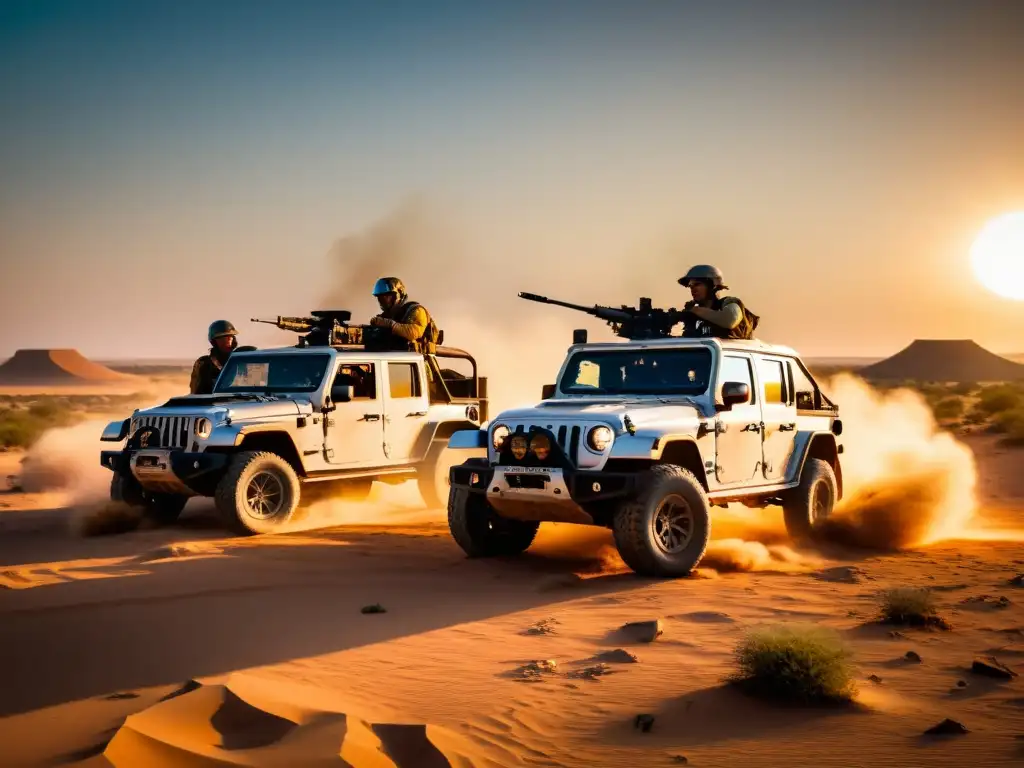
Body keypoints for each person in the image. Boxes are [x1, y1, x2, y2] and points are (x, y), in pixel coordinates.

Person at [677, 265, 759, 340]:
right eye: (690, 286)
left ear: (712, 286)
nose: (693, 289)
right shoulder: (698, 316)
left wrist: (695, 310)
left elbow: (729, 320)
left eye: (697, 284)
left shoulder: (730, 302)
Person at [368, 277, 440, 354]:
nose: (382, 300)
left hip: (418, 361)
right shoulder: (387, 316)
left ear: (398, 294)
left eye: (387, 296)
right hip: (395, 358)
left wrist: (390, 325)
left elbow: (413, 333)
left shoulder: (416, 310)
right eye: (380, 297)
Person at [189, 320, 239, 395]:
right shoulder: (204, 364)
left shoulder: (240, 361)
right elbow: (196, 393)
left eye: (231, 336)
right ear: (214, 341)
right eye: (223, 337)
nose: (228, 339)